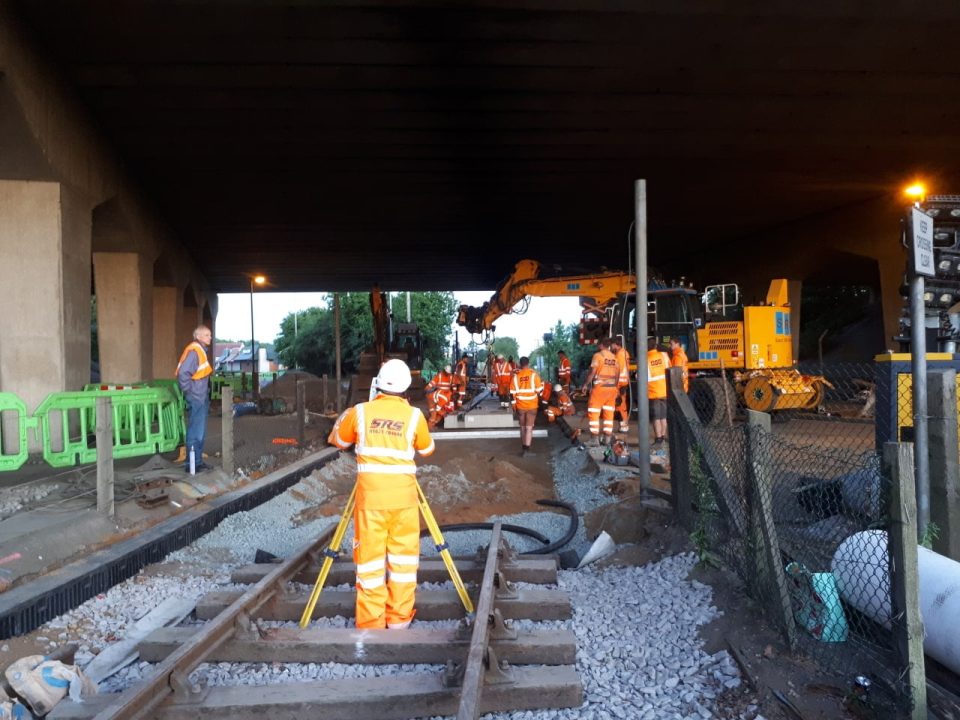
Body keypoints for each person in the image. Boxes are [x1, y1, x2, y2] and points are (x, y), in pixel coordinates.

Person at [328, 359, 435, 630]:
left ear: (378, 382)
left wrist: (345, 416)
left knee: (370, 566)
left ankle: (371, 625)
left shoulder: (361, 412)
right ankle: (399, 621)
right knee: (403, 562)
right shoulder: (414, 416)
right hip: (404, 501)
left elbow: (339, 441)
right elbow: (427, 449)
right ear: (406, 388)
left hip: (370, 501)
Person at [176, 325, 213, 472]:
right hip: (197, 396)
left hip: (201, 396)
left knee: (200, 432)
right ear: (197, 336)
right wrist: (190, 392)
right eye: (206, 335)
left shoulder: (200, 350)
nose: (209, 337)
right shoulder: (195, 351)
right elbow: (183, 374)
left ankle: (197, 462)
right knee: (196, 432)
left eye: (210, 335)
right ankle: (191, 465)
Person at [580, 337, 620, 446]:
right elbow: (617, 375)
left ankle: (594, 438)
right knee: (609, 413)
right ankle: (607, 438)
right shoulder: (615, 358)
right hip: (611, 389)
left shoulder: (598, 356)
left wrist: (586, 384)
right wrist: (616, 388)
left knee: (594, 412)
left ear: (601, 345)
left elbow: (592, 372)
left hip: (600, 389)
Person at [510, 356, 543, 456]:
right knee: (529, 428)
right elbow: (539, 390)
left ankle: (523, 448)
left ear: (520, 364)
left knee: (522, 427)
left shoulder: (516, 377)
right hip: (532, 405)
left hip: (520, 406)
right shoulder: (534, 375)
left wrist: (513, 405)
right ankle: (527, 451)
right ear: (528, 363)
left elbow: (512, 393)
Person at [647, 338, 673, 446]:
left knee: (656, 417)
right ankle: (663, 436)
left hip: (654, 392)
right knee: (663, 416)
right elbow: (670, 369)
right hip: (665, 390)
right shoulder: (664, 355)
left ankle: (658, 438)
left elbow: (643, 377)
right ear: (655, 346)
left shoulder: (645, 359)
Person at [610, 338, 631, 432]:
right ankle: (623, 425)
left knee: (620, 405)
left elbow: (618, 370)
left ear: (615, 344)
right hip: (623, 382)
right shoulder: (624, 353)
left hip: (620, 384)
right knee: (621, 405)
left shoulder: (620, 355)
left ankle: (624, 426)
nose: (611, 347)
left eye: (612, 345)